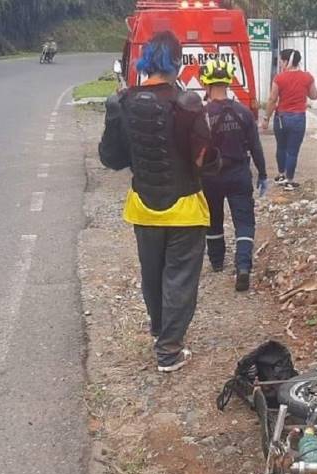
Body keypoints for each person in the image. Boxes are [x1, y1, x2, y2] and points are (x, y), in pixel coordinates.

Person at [98, 31, 220, 373]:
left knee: (152, 275)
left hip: (143, 207)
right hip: (184, 209)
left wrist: (112, 117)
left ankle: (159, 333)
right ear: (177, 63)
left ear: (145, 61)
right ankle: (168, 350)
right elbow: (204, 161)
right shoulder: (188, 104)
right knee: (179, 276)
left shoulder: (122, 102)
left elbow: (112, 160)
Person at [199, 59, 268, 292]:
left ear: (206, 84)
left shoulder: (202, 114)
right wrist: (263, 174)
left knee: (214, 219)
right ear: (229, 82)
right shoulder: (243, 112)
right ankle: (243, 266)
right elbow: (256, 147)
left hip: (210, 176)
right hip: (239, 174)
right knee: (244, 221)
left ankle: (217, 262)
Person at [261, 49, 317, 191]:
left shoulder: (279, 78)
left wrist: (266, 118)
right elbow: (314, 95)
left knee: (281, 147)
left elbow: (272, 99)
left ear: (287, 61)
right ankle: (289, 180)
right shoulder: (307, 77)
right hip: (298, 118)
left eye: (281, 61)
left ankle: (281, 175)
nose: (280, 64)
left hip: (281, 118)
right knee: (292, 151)